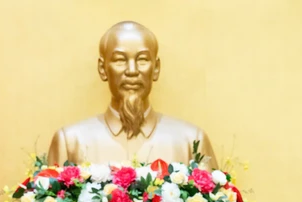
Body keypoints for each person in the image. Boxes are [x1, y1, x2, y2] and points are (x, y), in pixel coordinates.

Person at [47, 21, 218, 168]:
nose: (132, 70)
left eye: (142, 59)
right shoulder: (70, 142)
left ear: (156, 68)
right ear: (102, 69)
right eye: (120, 60)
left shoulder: (191, 142)